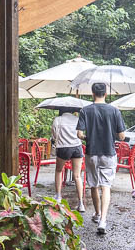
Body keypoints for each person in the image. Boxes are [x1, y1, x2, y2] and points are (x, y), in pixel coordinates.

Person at [77, 82, 127, 235]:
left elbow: (79, 134)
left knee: (93, 185)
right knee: (106, 186)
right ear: (105, 94)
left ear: (92, 94)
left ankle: (97, 214)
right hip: (108, 153)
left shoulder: (85, 110)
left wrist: (88, 137)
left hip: (92, 153)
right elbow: (122, 136)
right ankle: (103, 221)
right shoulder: (114, 111)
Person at [51, 107, 85, 211]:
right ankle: (81, 203)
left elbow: (54, 135)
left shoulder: (58, 119)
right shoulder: (77, 119)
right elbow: (80, 134)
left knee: (58, 170)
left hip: (64, 148)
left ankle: (58, 197)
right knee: (77, 176)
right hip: (77, 147)